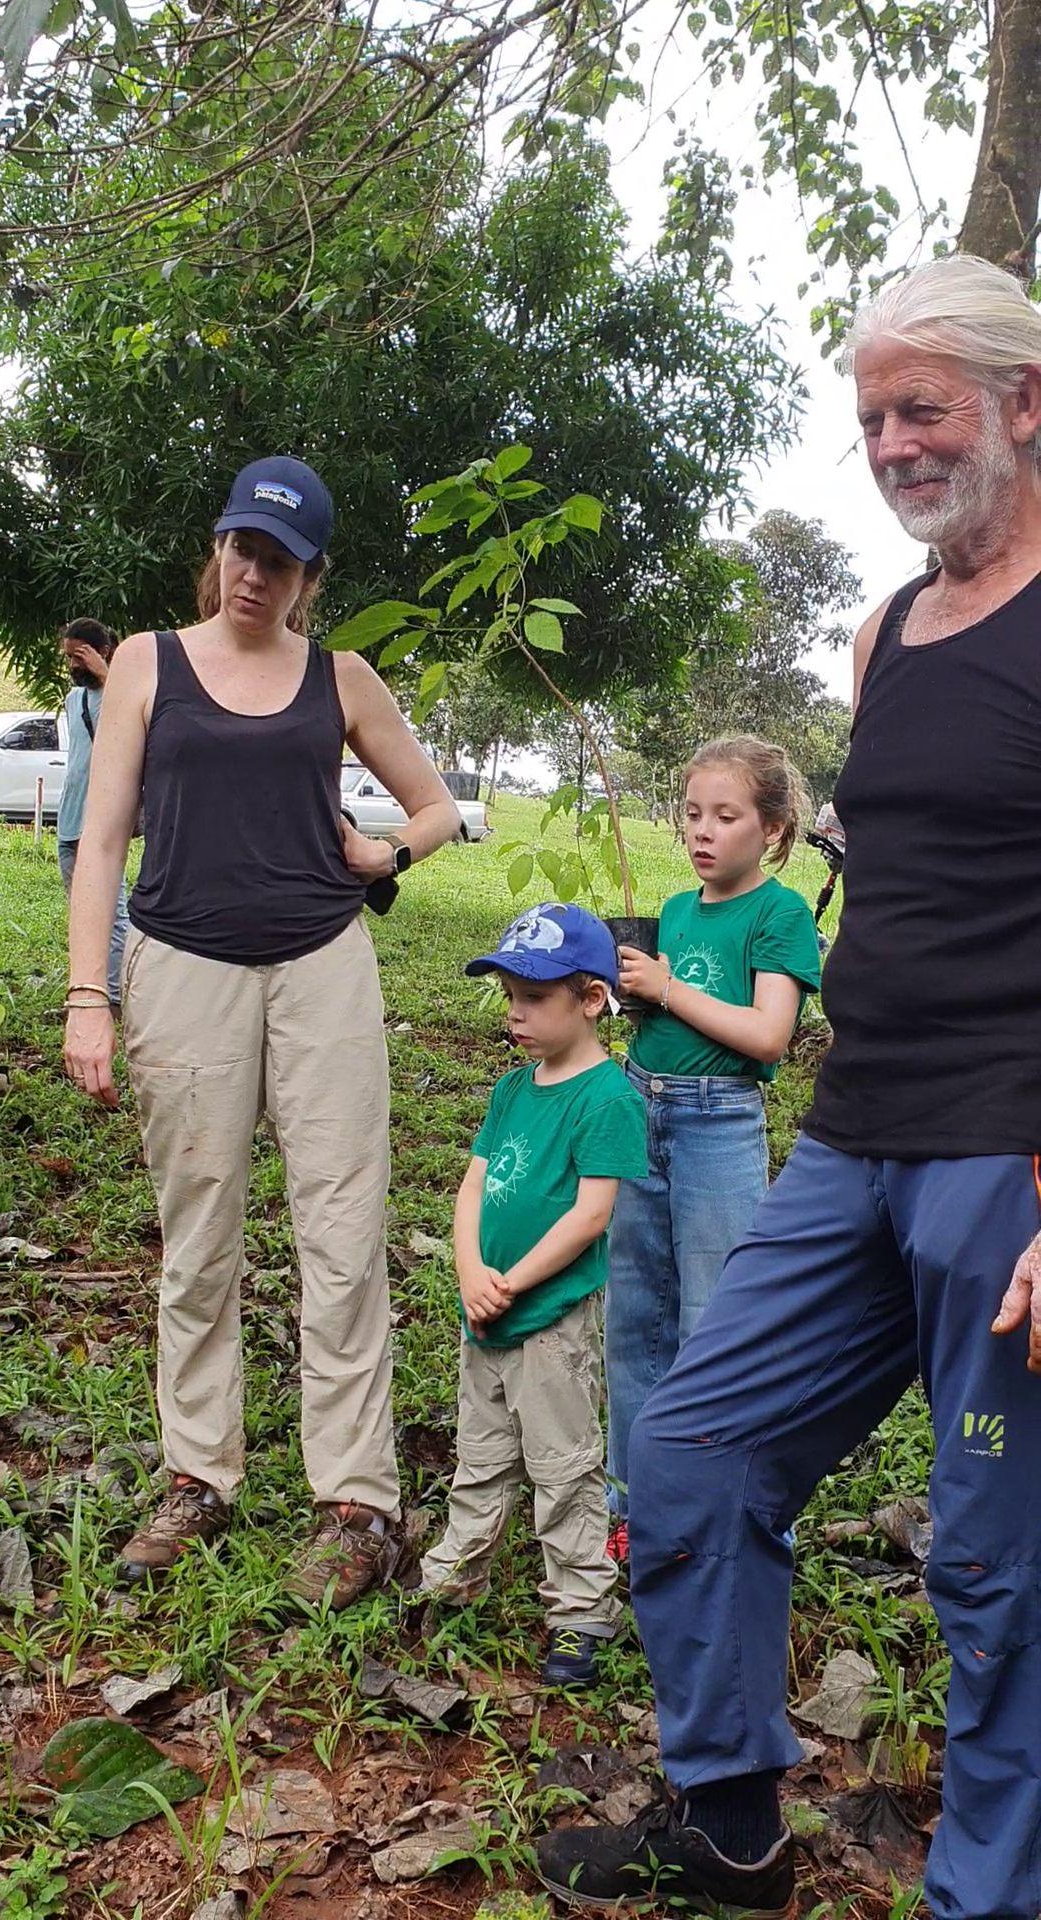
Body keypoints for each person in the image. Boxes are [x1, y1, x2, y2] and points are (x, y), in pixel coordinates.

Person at [537, 253, 1041, 1920]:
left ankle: (989, 1894)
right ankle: (732, 1823)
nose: (894, 446)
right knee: (692, 1454)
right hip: (855, 1134)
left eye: (924, 410)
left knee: (994, 1554)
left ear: (1024, 405)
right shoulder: (888, 628)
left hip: (1009, 1157)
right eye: (871, 419)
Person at [63, 455, 461, 1605]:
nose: (254, 574)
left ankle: (357, 1501)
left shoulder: (342, 679)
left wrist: (388, 852)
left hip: (322, 968)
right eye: (244, 548)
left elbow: (435, 805)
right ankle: (199, 1476)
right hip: (183, 966)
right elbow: (103, 841)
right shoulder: (149, 663)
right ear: (220, 547)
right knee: (199, 1236)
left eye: (280, 562)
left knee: (342, 1231)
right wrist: (90, 993)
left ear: (309, 578)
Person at [417, 903, 648, 1686]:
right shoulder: (513, 1089)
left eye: (535, 998)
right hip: (485, 1314)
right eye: (510, 996)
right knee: (480, 1457)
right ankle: (455, 1576)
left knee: (564, 1467)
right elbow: (471, 1188)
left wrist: (512, 1283)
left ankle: (581, 1611)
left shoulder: (608, 1098)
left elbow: (591, 1215)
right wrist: (470, 1272)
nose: (515, 1014)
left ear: (591, 1000)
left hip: (549, 1320)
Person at [605, 738, 821, 1561]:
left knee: (714, 1325)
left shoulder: (779, 914)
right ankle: (634, 1504)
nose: (703, 830)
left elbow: (768, 1035)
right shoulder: (674, 907)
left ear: (773, 830)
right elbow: (659, 1018)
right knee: (634, 1318)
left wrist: (668, 987)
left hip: (718, 1123)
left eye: (726, 816)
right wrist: (624, 991)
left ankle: (726, 1513)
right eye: (693, 813)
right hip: (639, 1107)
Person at [58, 619, 130, 1011]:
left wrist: (108, 676)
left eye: (80, 656)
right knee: (82, 913)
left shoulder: (123, 694)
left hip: (101, 825)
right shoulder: (74, 700)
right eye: (68, 657)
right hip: (70, 821)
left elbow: (127, 740)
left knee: (113, 914)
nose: (73, 665)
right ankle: (86, 990)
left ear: (102, 652)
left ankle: (116, 996)